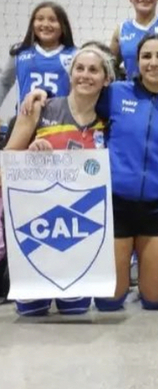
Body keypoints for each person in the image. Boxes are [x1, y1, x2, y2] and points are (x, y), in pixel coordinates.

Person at [22, 33, 158, 312]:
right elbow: (79, 100)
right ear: (136, 62)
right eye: (147, 56)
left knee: (156, 301)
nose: (153, 62)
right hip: (115, 207)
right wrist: (45, 96)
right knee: (108, 301)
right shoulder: (115, 94)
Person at [5, 45, 114, 316]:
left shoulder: (108, 122)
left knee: (75, 312)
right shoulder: (40, 107)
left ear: (106, 78)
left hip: (80, 235)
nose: (85, 75)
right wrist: (31, 156)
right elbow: (7, 159)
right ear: (70, 73)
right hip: (36, 229)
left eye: (93, 70)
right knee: (32, 316)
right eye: (79, 68)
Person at [0, 1, 76, 108]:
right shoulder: (19, 52)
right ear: (32, 24)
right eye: (40, 19)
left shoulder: (75, 55)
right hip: (26, 120)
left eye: (52, 20)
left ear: (63, 25)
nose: (45, 24)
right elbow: (4, 82)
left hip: (61, 122)